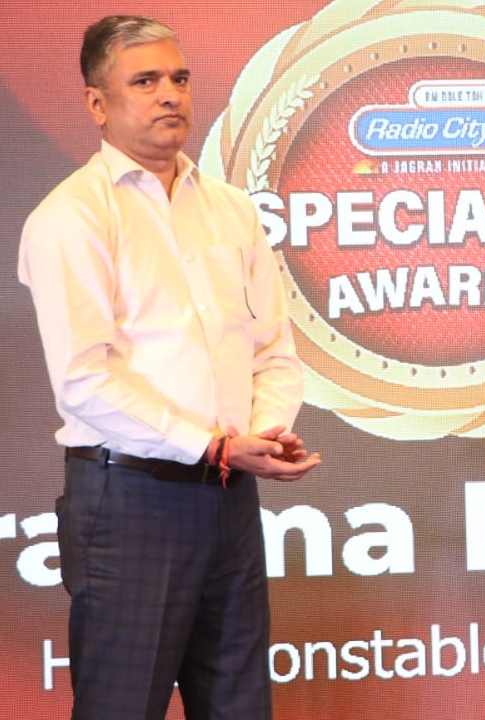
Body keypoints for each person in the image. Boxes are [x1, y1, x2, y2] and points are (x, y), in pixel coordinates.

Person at [18, 15, 321, 720]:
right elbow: (85, 381)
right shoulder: (72, 217)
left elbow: (274, 353)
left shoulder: (232, 210)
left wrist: (260, 434)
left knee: (240, 706)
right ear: (98, 104)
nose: (170, 95)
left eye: (179, 78)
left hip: (229, 499)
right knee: (122, 706)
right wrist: (211, 444)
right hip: (129, 501)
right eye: (145, 81)